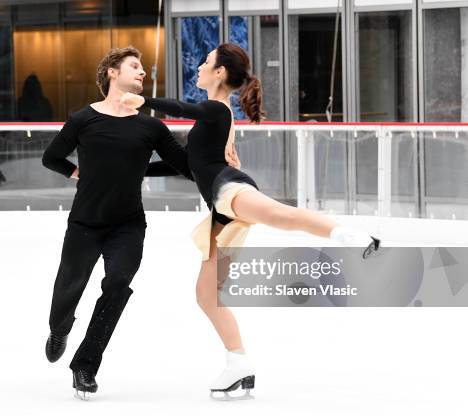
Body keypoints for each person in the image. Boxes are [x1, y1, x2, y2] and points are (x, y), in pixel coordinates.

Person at [121, 43, 380, 400]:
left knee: (280, 215)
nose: (199, 66)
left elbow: (182, 109)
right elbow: (187, 165)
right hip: (220, 208)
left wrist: (144, 102)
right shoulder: (211, 116)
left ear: (220, 73)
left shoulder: (214, 108)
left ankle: (351, 235)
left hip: (230, 190)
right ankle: (237, 363)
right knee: (206, 294)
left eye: (206, 62)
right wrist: (133, 172)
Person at [41, 46, 192, 400]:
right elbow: (51, 157)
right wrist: (78, 172)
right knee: (68, 290)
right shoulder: (83, 119)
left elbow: (183, 165)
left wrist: (214, 153)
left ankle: (85, 365)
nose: (143, 73)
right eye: (134, 67)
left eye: (142, 68)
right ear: (112, 72)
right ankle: (59, 328)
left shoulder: (151, 126)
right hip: (84, 224)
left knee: (119, 283)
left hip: (127, 225)